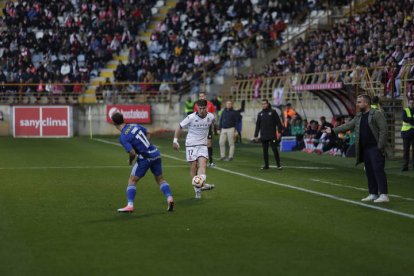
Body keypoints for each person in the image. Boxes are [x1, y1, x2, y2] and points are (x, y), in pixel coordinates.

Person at [324, 94, 390, 203]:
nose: (357, 104)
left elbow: (384, 130)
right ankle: (373, 193)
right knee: (369, 171)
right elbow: (348, 125)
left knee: (378, 170)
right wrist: (333, 130)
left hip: (375, 148)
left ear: (366, 103)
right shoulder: (359, 116)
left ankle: (384, 195)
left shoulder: (376, 114)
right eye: (357, 101)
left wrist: (380, 146)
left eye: (359, 102)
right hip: (365, 149)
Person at [111, 112, 174, 213]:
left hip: (145, 157)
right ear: (123, 119)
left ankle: (130, 205)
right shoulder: (134, 125)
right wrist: (145, 144)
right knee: (160, 179)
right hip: (155, 153)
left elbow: (132, 153)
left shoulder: (123, 137)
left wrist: (130, 161)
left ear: (113, 123)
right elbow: (147, 133)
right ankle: (169, 198)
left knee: (132, 180)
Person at [173, 99, 215, 199]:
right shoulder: (191, 117)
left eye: (203, 108)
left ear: (206, 107)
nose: (201, 110)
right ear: (197, 107)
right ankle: (197, 189)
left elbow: (213, 124)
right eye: (200, 108)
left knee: (203, 165)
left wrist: (212, 134)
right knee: (193, 166)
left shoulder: (211, 116)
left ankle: (201, 183)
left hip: (202, 145)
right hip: (191, 144)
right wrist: (175, 140)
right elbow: (179, 126)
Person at [254, 99, 284, 170]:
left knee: (274, 149)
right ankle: (266, 165)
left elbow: (279, 123)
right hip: (264, 136)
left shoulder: (273, 112)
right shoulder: (260, 114)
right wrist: (256, 135)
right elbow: (257, 125)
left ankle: (278, 164)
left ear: (267, 104)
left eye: (265, 103)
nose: (263, 105)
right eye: (262, 104)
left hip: (272, 136)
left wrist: (279, 132)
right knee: (265, 151)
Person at [194, 92, 217, 167]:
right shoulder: (196, 105)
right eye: (200, 96)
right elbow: (194, 116)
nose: (201, 97)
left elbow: (214, 114)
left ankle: (210, 161)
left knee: (209, 143)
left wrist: (214, 124)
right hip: (198, 127)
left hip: (208, 126)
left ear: (205, 96)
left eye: (202, 96)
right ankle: (197, 160)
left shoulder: (210, 104)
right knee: (198, 143)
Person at [401, 99, 414, 171]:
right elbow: (404, 119)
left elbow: (407, 119)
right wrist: (412, 120)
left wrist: (410, 119)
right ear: (408, 103)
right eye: (411, 103)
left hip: (412, 132)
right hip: (406, 133)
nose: (412, 104)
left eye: (413, 103)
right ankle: (405, 166)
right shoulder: (405, 110)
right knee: (406, 150)